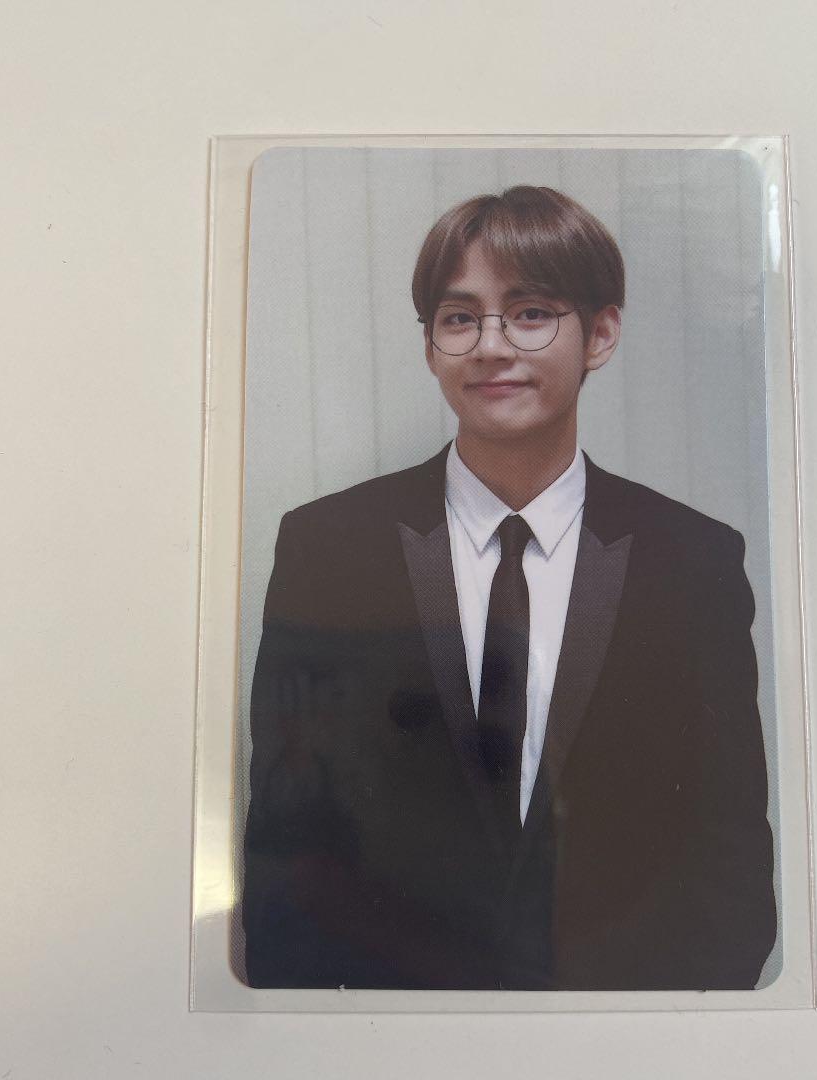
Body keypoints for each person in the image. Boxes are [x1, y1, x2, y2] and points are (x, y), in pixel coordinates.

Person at [241, 185, 776, 990]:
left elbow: (728, 854)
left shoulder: (693, 559)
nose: (491, 346)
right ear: (430, 347)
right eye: (460, 318)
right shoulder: (330, 545)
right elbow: (288, 843)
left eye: (530, 313)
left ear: (601, 333)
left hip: (620, 1024)